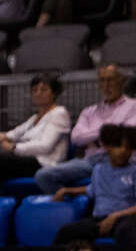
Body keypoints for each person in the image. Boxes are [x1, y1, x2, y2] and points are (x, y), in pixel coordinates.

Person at [0, 74, 70, 196]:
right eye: (34, 90)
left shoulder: (59, 113)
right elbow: (17, 132)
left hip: (44, 163)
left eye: (43, 90)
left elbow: (45, 146)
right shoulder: (35, 117)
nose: (38, 93)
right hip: (27, 159)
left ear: (54, 93)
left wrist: (14, 148)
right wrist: (5, 136)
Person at [35, 65, 136, 194]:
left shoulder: (133, 105)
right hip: (90, 160)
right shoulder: (89, 111)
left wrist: (92, 135)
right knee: (43, 175)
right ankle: (71, 205)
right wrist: (107, 131)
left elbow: (128, 134)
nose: (106, 85)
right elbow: (76, 138)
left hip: (123, 160)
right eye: (102, 80)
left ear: (121, 82)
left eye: (111, 80)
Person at [51, 125, 136, 251]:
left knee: (127, 233)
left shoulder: (134, 171)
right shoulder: (99, 169)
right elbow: (93, 189)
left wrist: (115, 217)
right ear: (108, 147)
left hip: (125, 219)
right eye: (118, 146)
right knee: (66, 233)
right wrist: (66, 190)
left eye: (129, 148)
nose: (124, 151)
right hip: (99, 219)